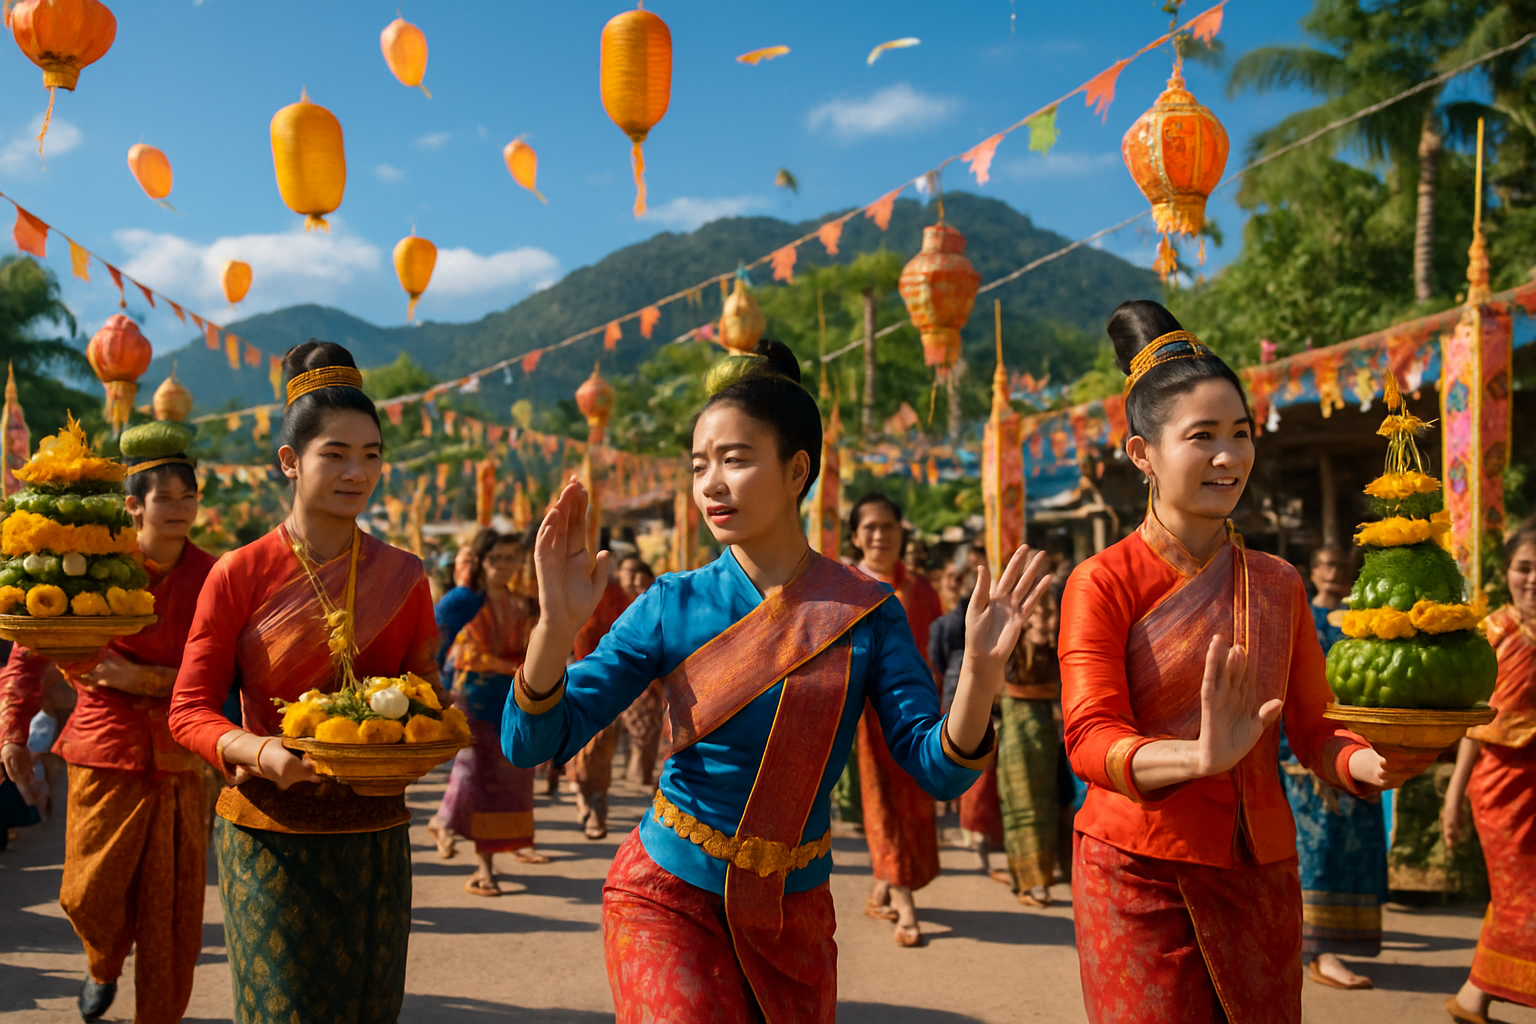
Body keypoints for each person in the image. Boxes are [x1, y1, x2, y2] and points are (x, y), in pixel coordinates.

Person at [504, 338, 1049, 1023]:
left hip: (794, 917)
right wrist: (553, 631)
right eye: (701, 465)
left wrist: (978, 675)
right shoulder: (671, 603)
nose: (711, 484)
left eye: (735, 460)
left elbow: (937, 770)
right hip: (668, 892)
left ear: (797, 471)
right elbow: (532, 742)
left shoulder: (867, 611)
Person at [1059, 301, 1432, 1024]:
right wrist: (1196, 758)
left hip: (1259, 873)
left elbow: (1317, 729)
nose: (1229, 457)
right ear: (1142, 454)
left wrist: (1372, 766)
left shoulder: (1278, 582)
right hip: (1138, 871)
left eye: (1241, 435)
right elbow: (1091, 738)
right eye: (1202, 437)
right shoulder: (1101, 582)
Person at [168, 341, 443, 1024]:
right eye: (336, 454)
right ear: (290, 461)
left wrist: (420, 737)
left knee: (367, 1010)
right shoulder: (238, 573)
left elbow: (431, 694)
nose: (358, 472)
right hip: (270, 832)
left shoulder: (404, 575)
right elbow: (189, 711)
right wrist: (262, 753)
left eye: (372, 454)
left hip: (375, 830)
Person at [0, 423, 215, 1024]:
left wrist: (140, 679)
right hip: (103, 750)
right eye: (165, 497)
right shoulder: (91, 564)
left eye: (188, 496)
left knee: (171, 916)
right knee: (87, 895)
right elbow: (28, 648)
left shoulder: (218, 575)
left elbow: (229, 675)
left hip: (182, 756)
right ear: (133, 505)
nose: (179, 509)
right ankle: (102, 961)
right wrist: (12, 734)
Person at [1280, 545, 1389, 990]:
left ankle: (1335, 944)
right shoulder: (1300, 615)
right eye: (1324, 565)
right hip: (1307, 753)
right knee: (1318, 850)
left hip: (1358, 746)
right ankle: (1318, 951)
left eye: (1338, 566)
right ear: (1313, 570)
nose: (1331, 572)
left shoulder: (1362, 619)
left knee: (1357, 848)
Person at [1442, 520, 1536, 1023]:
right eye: (1525, 567)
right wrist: (1454, 796)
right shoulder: (1493, 632)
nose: (1534, 578)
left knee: (1515, 894)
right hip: (1502, 786)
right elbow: (1473, 724)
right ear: (1508, 572)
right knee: (1524, 892)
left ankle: (1474, 996)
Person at [847, 492, 948, 946]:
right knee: (882, 802)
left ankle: (887, 884)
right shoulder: (843, 588)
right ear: (855, 536)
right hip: (866, 719)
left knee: (914, 801)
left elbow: (939, 656)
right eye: (869, 527)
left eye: (887, 527)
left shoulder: (922, 591)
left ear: (901, 533)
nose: (879, 535)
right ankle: (905, 904)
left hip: (918, 716)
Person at [429, 527, 549, 891]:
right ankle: (484, 868)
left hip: (514, 697)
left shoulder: (522, 602)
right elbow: (432, 645)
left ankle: (498, 838)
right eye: (496, 559)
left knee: (516, 773)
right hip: (475, 699)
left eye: (511, 559)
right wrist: (432, 692)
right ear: (481, 562)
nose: (505, 567)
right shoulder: (462, 601)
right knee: (481, 777)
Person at [997, 584, 1066, 907]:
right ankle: (1030, 881)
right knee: (1022, 808)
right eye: (1034, 614)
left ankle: (1056, 869)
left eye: (1047, 613)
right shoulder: (1009, 648)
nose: (1041, 620)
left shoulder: (1062, 646)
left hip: (1054, 739)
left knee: (1056, 805)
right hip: (1019, 741)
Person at [566, 564, 634, 839]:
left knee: (601, 746)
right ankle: (585, 799)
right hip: (574, 676)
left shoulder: (623, 598)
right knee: (578, 744)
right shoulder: (570, 587)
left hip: (611, 680)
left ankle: (597, 805)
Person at [616, 560, 664, 788]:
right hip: (632, 676)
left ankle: (644, 772)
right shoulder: (620, 604)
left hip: (656, 678)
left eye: (640, 578)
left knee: (651, 729)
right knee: (636, 728)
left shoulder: (659, 601)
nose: (636, 583)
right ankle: (637, 770)